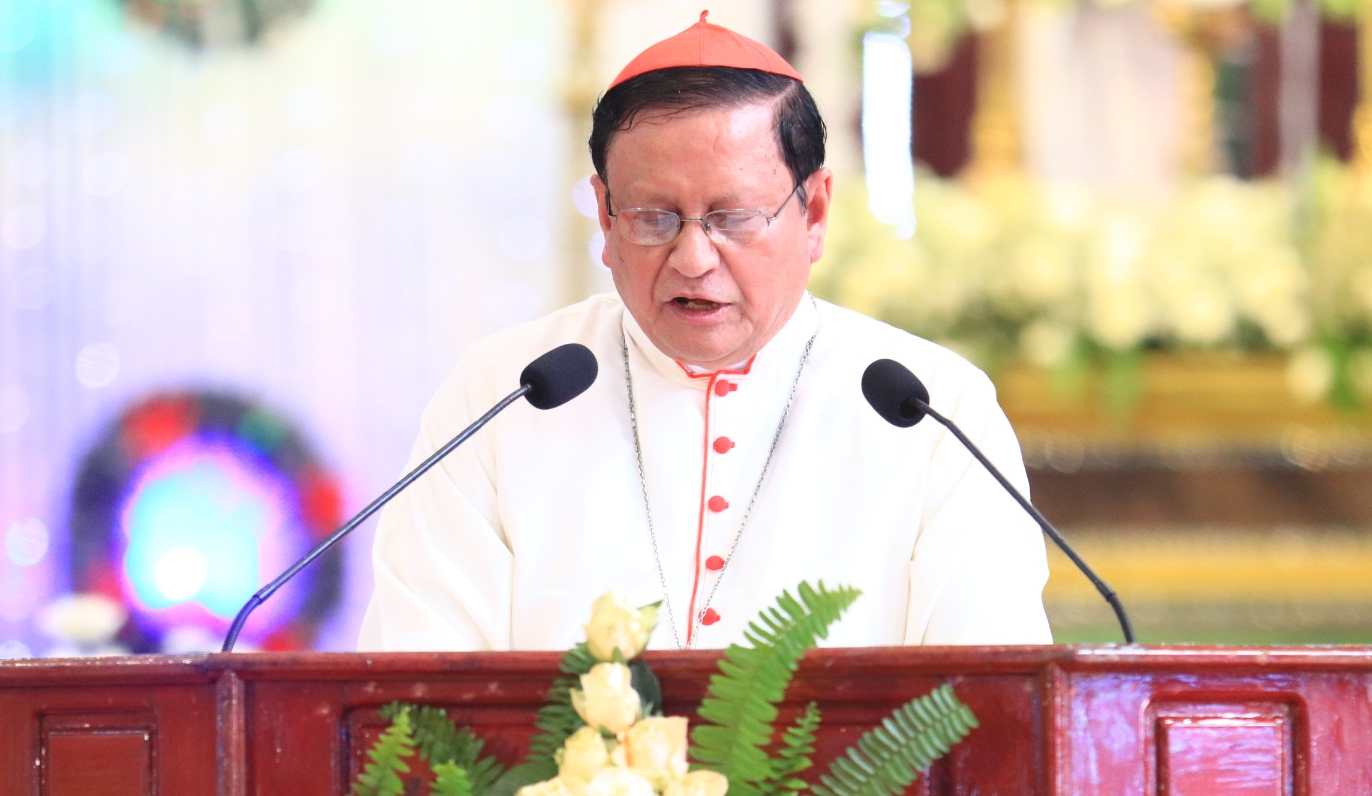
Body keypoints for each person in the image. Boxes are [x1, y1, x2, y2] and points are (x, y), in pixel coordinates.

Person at [358, 13, 1050, 652]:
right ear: (604, 215)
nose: (692, 259)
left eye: (734, 217)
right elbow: (416, 688)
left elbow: (989, 701)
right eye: (652, 216)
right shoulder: (503, 393)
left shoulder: (932, 408)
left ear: (814, 213)